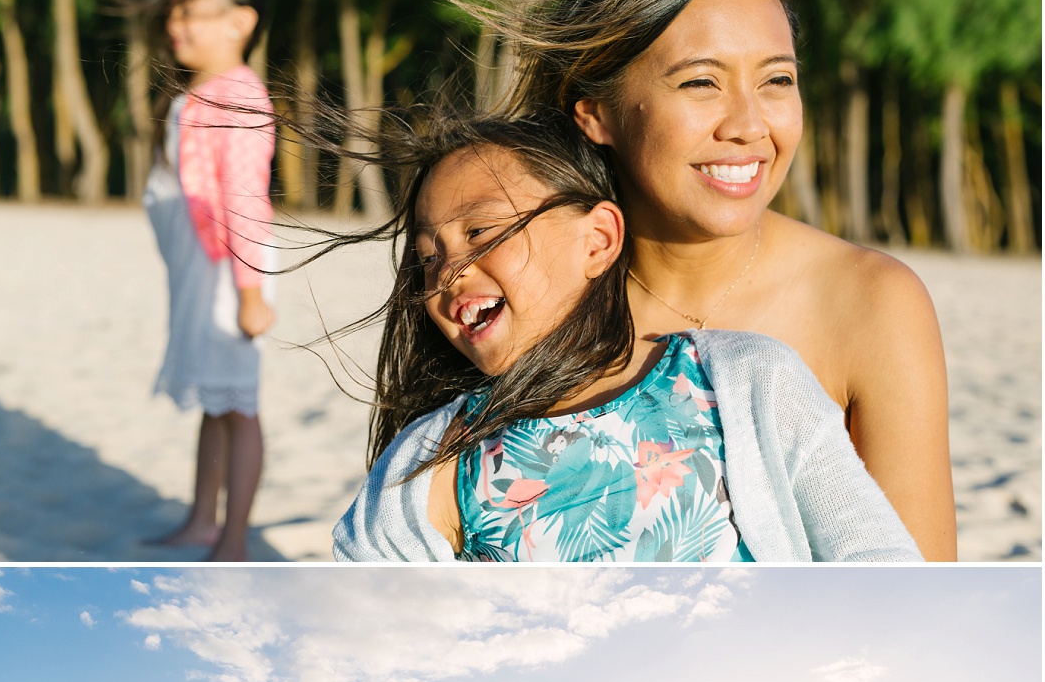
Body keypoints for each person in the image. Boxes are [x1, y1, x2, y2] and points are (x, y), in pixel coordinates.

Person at [472, 0, 957, 561]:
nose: (750, 125)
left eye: (777, 80)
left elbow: (921, 606)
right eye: (701, 82)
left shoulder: (868, 304)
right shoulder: (532, 293)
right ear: (595, 111)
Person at [331, 112, 921, 562]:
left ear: (597, 241)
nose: (449, 273)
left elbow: (878, 566)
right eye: (429, 257)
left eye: (482, 232)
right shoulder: (434, 461)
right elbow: (375, 637)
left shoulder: (747, 381)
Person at [144, 0, 276, 562]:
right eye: (174, 13)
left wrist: (250, 294)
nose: (178, 25)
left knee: (238, 404)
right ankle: (202, 519)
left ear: (239, 22)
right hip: (201, 272)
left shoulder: (241, 96)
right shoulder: (198, 92)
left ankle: (234, 537)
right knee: (212, 400)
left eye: (192, 12)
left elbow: (246, 200)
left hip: (231, 274)